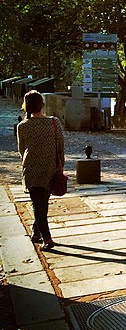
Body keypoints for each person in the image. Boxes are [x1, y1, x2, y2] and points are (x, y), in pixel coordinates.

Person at [16, 90, 65, 251]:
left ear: (26, 107)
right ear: (43, 105)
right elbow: (60, 147)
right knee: (41, 203)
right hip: (51, 167)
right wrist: (60, 165)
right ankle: (37, 233)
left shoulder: (22, 126)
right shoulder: (54, 122)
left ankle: (46, 238)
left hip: (31, 168)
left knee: (38, 203)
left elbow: (21, 150)